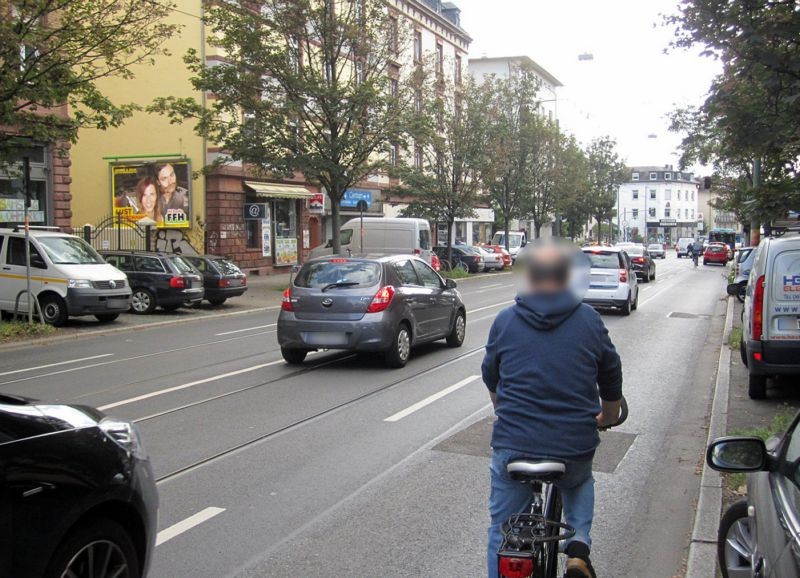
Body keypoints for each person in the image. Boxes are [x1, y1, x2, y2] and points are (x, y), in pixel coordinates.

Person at [482, 241, 623, 578]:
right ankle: (578, 549)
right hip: (572, 444)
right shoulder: (589, 319)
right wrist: (609, 415)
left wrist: (504, 408)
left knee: (502, 530)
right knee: (578, 481)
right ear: (567, 278)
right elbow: (611, 371)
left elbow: (491, 377)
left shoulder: (505, 320)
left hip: (514, 444)